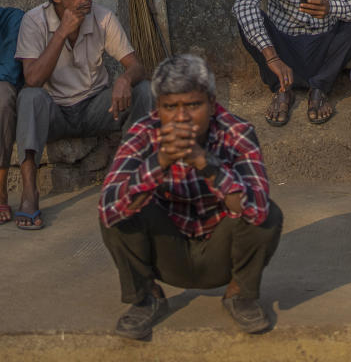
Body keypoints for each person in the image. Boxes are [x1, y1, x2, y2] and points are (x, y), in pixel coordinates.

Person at [99, 55, 282, 339]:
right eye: (170, 107)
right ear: (158, 109)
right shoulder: (143, 133)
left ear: (211, 104)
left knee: (267, 213)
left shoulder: (237, 132)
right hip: (167, 255)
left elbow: (257, 210)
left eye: (193, 105)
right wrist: (159, 162)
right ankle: (145, 297)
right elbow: (109, 208)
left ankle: (240, 294)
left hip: (221, 253)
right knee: (119, 210)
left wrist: (205, 163)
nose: (182, 117)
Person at [14, 0, 152, 230]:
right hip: (54, 113)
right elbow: (32, 80)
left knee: (144, 91)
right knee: (29, 98)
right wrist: (62, 32)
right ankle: (30, 193)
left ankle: (136, 179)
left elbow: (137, 66)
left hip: (95, 107)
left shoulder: (102, 18)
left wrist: (125, 79)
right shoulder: (33, 21)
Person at [0, 6, 24, 225]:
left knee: (3, 100)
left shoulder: (13, 19)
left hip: (3, 86)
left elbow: (9, 72)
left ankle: (0, 192)